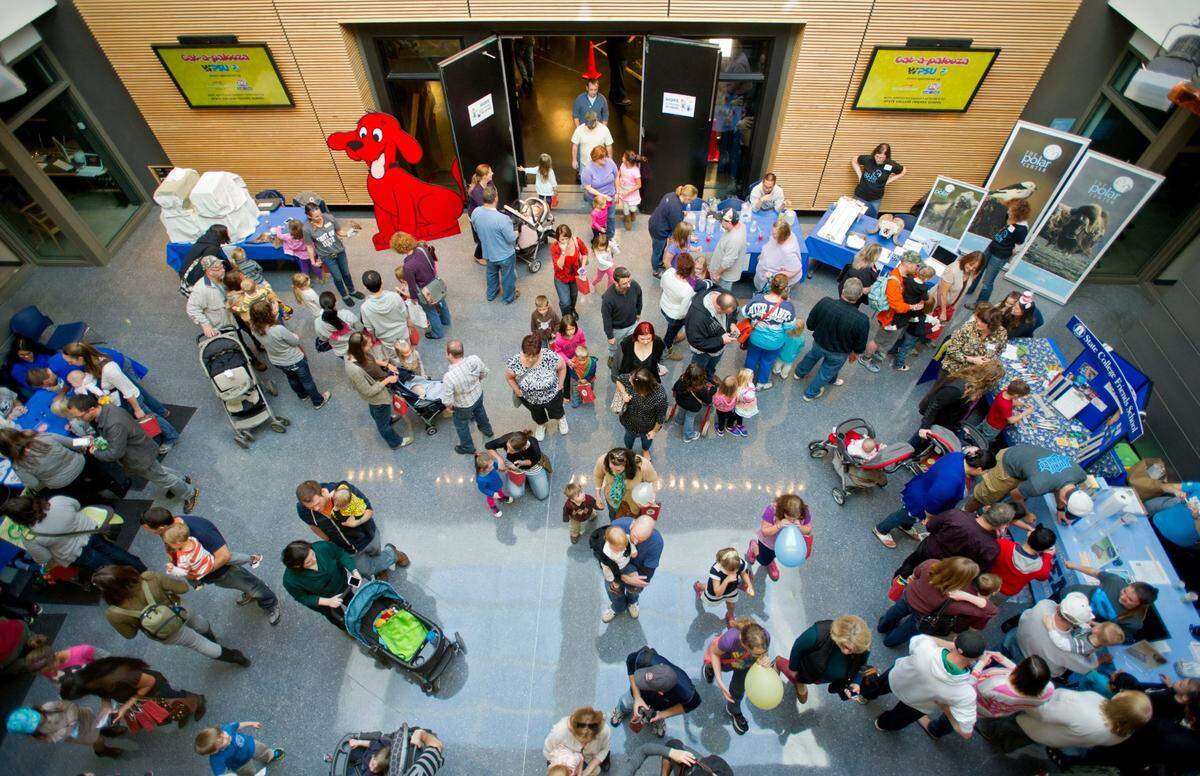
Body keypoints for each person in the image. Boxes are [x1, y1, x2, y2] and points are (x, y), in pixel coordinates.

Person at [140, 507, 280, 624]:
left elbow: (225, 556)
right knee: (242, 584)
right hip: (212, 574)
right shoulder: (170, 532)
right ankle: (249, 591)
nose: (153, 535)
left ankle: (270, 603)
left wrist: (200, 573)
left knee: (251, 585)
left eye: (152, 532)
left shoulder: (198, 529)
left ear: (162, 527)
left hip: (223, 571)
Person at [91, 565, 249, 664]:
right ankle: (212, 638)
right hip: (179, 609)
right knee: (199, 623)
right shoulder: (150, 578)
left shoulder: (113, 613)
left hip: (164, 630)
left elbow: (130, 635)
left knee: (198, 644)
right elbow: (183, 588)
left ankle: (235, 657)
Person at [65, 394, 198, 511]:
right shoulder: (108, 409)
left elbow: (114, 453)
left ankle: (190, 494)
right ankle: (182, 479)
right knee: (159, 470)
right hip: (141, 449)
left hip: (138, 456)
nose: (80, 420)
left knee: (162, 478)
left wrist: (95, 452)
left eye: (80, 416)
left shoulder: (112, 424)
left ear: (92, 409)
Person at [863, 631, 982, 738]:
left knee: (877, 686)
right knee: (898, 718)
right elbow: (966, 732)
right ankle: (882, 724)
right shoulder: (965, 693)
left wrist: (952, 645)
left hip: (898, 678)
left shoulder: (926, 647)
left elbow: (922, 638)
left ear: (955, 640)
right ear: (976, 658)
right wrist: (945, 707)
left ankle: (865, 696)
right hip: (918, 704)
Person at [59, 343, 179, 448]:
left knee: (149, 416)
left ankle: (171, 436)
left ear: (80, 357)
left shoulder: (109, 369)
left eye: (71, 361)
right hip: (121, 398)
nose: (70, 364)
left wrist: (137, 409)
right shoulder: (93, 362)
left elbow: (127, 391)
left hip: (131, 399)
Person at [2, 494, 145, 580]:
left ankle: (129, 580)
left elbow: (45, 558)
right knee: (114, 551)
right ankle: (141, 568)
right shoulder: (57, 501)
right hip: (91, 532)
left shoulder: (30, 537)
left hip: (77, 554)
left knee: (106, 566)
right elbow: (76, 505)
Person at [872, 447, 993, 548]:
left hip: (923, 488)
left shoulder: (958, 456)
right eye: (986, 471)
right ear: (979, 469)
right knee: (904, 514)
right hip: (922, 501)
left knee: (911, 516)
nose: (986, 474)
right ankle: (881, 529)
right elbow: (934, 500)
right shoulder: (952, 480)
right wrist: (929, 516)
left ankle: (905, 526)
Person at [876, 557, 999, 648]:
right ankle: (889, 642)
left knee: (894, 613)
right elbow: (991, 611)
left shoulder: (931, 564)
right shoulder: (956, 601)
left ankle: (883, 627)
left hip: (908, 597)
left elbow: (914, 575)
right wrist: (966, 596)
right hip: (922, 615)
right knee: (905, 631)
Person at [295, 479, 407, 579]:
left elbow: (369, 510)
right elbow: (312, 525)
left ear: (323, 492)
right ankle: (391, 555)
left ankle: (389, 559)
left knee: (375, 554)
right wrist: (328, 540)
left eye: (317, 503)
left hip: (367, 535)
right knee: (364, 571)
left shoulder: (344, 493)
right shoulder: (303, 510)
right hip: (346, 547)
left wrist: (356, 522)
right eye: (311, 507)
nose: (316, 509)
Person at [926, 653, 1054, 740]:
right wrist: (1005, 661)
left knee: (955, 715)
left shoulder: (996, 685)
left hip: (977, 703)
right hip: (996, 710)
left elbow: (971, 688)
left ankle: (935, 730)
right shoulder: (1048, 690)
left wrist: (980, 665)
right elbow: (1028, 679)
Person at [58, 656, 206, 731]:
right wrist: (106, 710)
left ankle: (198, 701)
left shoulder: (119, 676)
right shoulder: (90, 679)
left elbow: (150, 682)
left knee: (175, 697)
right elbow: (104, 694)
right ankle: (183, 711)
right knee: (171, 707)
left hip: (155, 689)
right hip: (143, 697)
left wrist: (126, 706)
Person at [964, 442, 1093, 521]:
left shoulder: (1080, 474)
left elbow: (1061, 487)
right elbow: (1015, 495)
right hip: (1008, 463)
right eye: (1064, 506)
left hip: (1027, 458)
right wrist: (1026, 514)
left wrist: (1060, 510)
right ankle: (964, 513)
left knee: (1012, 492)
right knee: (984, 496)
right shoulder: (1039, 485)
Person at [0, 427, 125, 502]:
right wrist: (88, 440)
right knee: (103, 477)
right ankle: (118, 489)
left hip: (64, 484)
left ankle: (105, 504)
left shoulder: (18, 465)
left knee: (89, 493)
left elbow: (34, 484)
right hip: (83, 465)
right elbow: (73, 443)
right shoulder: (43, 437)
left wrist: (48, 477)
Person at [794, 278, 871, 400]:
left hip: (819, 343)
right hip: (839, 353)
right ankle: (810, 393)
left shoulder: (825, 302)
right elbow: (860, 345)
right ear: (860, 295)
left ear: (843, 290)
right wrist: (855, 353)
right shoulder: (862, 320)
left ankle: (799, 373)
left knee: (811, 357)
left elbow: (810, 324)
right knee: (826, 373)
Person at [895, 503, 1015, 581]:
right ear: (1003, 525)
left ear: (987, 508)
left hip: (927, 551)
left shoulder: (956, 515)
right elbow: (977, 570)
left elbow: (930, 526)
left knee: (908, 568)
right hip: (947, 570)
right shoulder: (991, 548)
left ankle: (898, 583)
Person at [248, 300, 329, 410]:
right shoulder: (279, 329)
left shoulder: (254, 328)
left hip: (277, 361)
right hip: (294, 360)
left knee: (292, 378)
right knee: (307, 381)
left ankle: (302, 395)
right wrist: (294, 336)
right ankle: (318, 401)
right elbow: (295, 342)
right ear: (269, 314)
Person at [775, 615, 872, 705]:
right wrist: (793, 669)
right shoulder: (817, 633)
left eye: (853, 650)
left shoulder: (862, 645)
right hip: (807, 670)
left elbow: (862, 664)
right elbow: (798, 648)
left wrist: (856, 682)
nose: (847, 652)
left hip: (820, 677)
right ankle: (779, 662)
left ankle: (802, 681)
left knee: (807, 680)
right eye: (845, 646)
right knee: (795, 676)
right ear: (838, 636)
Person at [1013, 689, 1152, 751]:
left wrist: (1022, 698)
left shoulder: (1082, 707)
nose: (1120, 692)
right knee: (1019, 739)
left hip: (1037, 724)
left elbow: (1041, 713)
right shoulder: (1126, 732)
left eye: (1123, 694)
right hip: (1056, 739)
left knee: (1013, 726)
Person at [610, 645, 702, 737]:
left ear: (660, 692)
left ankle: (656, 718)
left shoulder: (686, 692)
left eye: (645, 685)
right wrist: (637, 696)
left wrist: (662, 714)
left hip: (662, 703)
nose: (641, 678)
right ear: (659, 666)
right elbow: (630, 661)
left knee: (655, 713)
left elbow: (693, 703)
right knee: (626, 702)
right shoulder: (646, 659)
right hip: (639, 693)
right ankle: (621, 710)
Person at [909, 361, 1005, 448]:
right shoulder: (957, 388)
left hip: (948, 418)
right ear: (989, 379)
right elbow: (934, 406)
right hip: (938, 418)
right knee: (919, 441)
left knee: (928, 442)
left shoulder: (972, 381)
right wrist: (924, 427)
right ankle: (906, 454)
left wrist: (958, 425)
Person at [703, 617, 772, 735]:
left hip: (744, 663)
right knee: (712, 664)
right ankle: (710, 669)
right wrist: (720, 681)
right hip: (725, 660)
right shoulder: (730, 639)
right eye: (757, 653)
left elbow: (764, 651)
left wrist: (764, 657)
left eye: (761, 652)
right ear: (744, 645)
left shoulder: (765, 636)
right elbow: (714, 653)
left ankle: (733, 709)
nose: (759, 655)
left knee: (738, 689)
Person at [343, 332, 412, 450]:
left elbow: (370, 361)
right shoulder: (355, 371)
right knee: (382, 423)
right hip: (377, 397)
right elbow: (369, 391)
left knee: (378, 412)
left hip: (378, 385)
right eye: (368, 344)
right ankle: (396, 443)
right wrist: (388, 379)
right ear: (360, 348)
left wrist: (386, 364)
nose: (371, 344)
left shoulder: (353, 353)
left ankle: (388, 419)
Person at [1059, 560, 1159, 640]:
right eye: (1124, 591)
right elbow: (1095, 572)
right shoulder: (1115, 581)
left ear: (1139, 605)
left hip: (1080, 620)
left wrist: (1091, 623)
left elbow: (1116, 633)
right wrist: (1074, 566)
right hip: (1070, 595)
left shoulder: (1133, 622)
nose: (1123, 597)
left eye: (1130, 599)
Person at [1007, 591, 1099, 676]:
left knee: (995, 657)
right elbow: (1088, 667)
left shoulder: (1044, 605)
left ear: (1059, 606)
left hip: (1014, 640)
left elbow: (1025, 614)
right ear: (1077, 624)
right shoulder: (1070, 650)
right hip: (1031, 670)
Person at [280, 539, 361, 629]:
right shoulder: (290, 580)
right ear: (297, 566)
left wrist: (354, 570)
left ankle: (362, 618)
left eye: (313, 555)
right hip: (324, 602)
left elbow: (340, 554)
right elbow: (302, 597)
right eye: (308, 562)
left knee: (354, 604)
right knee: (337, 618)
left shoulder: (322, 547)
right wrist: (328, 602)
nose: (314, 560)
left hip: (343, 587)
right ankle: (348, 629)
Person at [861, 254, 921, 372]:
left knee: (885, 341)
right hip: (890, 319)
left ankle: (876, 356)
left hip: (897, 319)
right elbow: (898, 307)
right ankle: (865, 358)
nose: (918, 268)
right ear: (907, 263)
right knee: (878, 341)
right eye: (916, 265)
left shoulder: (905, 274)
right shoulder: (894, 281)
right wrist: (913, 306)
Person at [5, 699, 124, 758]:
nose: (40, 721)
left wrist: (72, 719)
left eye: (36, 717)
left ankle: (104, 730)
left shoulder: (49, 706)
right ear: (32, 731)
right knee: (98, 740)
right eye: (36, 724)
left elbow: (69, 705)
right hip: (80, 733)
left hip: (83, 717)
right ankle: (101, 750)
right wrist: (69, 728)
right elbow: (56, 738)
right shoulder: (42, 733)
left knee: (99, 724)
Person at [969, 198, 1032, 305]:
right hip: (991, 247)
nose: (1008, 211)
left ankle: (980, 304)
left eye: (1011, 210)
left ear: (1018, 212)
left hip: (1000, 255)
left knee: (987, 281)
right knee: (978, 269)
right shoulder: (1010, 217)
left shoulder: (1022, 228)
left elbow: (1018, 246)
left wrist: (1008, 255)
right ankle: (969, 289)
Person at [741, 274, 798, 389]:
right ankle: (761, 383)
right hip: (775, 343)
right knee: (767, 362)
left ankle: (746, 382)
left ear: (771, 285)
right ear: (785, 288)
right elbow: (789, 327)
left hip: (755, 338)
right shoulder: (788, 307)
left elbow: (745, 312)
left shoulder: (757, 299)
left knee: (752, 358)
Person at [506, 334, 568, 439]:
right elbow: (509, 377)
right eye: (527, 355)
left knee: (557, 410)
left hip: (552, 394)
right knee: (536, 414)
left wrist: (560, 384)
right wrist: (517, 391)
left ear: (540, 351)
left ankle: (561, 419)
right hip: (530, 398)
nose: (530, 359)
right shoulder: (514, 362)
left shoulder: (550, 357)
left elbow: (562, 367)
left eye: (534, 355)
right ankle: (541, 424)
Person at [392, 233, 450, 340]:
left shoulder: (407, 266)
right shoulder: (421, 249)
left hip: (425, 290)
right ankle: (446, 321)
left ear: (398, 249)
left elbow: (412, 285)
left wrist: (414, 298)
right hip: (435, 282)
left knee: (431, 311)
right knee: (442, 302)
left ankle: (438, 333)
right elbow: (432, 263)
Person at [303, 203, 362, 306]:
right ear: (309, 216)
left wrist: (349, 233)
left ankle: (352, 291)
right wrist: (312, 261)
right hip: (327, 257)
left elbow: (339, 231)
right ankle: (345, 295)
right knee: (338, 278)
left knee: (346, 274)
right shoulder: (306, 229)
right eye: (316, 216)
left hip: (340, 252)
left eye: (320, 214)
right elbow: (309, 246)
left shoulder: (329, 218)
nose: (320, 217)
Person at [442, 341, 493, 455]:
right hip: (478, 395)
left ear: (449, 354)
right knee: (480, 412)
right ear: (462, 352)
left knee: (461, 426)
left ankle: (468, 447)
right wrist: (477, 381)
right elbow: (484, 372)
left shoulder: (449, 377)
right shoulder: (474, 359)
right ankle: (487, 430)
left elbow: (447, 400)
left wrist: (449, 408)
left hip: (462, 405)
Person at [470, 185, 519, 305]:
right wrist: (517, 232)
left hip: (488, 252)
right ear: (496, 198)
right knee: (508, 277)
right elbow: (510, 238)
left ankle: (491, 294)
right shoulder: (503, 219)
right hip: (505, 255)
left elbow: (476, 229)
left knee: (491, 274)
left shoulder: (475, 212)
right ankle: (508, 297)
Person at [746, 493, 811, 582]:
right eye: (789, 518)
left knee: (775, 555)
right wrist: (778, 525)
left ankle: (770, 560)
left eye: (795, 518)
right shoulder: (772, 510)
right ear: (783, 512)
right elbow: (765, 532)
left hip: (785, 545)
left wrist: (800, 527)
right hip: (768, 544)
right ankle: (754, 546)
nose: (792, 521)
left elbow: (808, 529)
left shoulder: (804, 511)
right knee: (763, 561)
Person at [938, 302, 1008, 377]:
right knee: (942, 384)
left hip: (977, 373)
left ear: (992, 324)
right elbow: (951, 350)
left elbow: (1000, 350)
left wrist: (990, 361)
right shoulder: (968, 328)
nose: (978, 323)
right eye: (978, 320)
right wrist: (973, 360)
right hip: (955, 368)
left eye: (983, 322)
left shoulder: (1001, 333)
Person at [359, 270, 415, 360]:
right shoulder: (395, 296)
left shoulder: (365, 307)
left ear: (365, 287)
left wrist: (375, 336)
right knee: (407, 351)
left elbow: (370, 329)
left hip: (386, 339)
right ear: (382, 282)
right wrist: (410, 327)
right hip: (402, 332)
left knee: (394, 357)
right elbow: (405, 314)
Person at [694, 547, 755, 627]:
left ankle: (730, 615)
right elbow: (718, 592)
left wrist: (749, 586)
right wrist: (726, 581)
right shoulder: (716, 571)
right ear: (722, 566)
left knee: (731, 605)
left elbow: (743, 573)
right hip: (716, 590)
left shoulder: (736, 562)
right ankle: (699, 586)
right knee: (708, 591)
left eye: (736, 570)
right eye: (731, 571)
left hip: (731, 590)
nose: (735, 573)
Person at [990, 524, 1056, 598]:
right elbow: (1043, 577)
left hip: (988, 577)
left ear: (1029, 534)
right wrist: (1048, 556)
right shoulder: (1042, 569)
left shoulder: (1003, 544)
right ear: (1045, 549)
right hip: (1006, 591)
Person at [685, 288, 738, 379]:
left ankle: (709, 377)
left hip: (718, 347)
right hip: (703, 352)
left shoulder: (725, 295)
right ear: (718, 308)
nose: (728, 314)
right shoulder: (698, 317)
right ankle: (697, 384)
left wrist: (732, 324)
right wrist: (721, 340)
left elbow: (733, 312)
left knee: (712, 365)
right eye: (726, 313)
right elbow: (696, 341)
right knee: (698, 371)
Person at [195, 721, 284, 775]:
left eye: (222, 733)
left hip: (251, 745)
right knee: (248, 773)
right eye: (222, 741)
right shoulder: (216, 760)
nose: (226, 735)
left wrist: (251, 723)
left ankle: (270, 756)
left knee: (263, 751)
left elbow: (237, 725)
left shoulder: (226, 730)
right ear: (214, 751)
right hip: (241, 765)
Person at [347, 727, 445, 776]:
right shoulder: (378, 749)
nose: (373, 769)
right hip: (366, 757)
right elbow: (437, 746)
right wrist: (421, 735)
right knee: (351, 753)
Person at [647, 185, 698, 277]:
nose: (690, 202)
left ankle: (659, 263)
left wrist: (681, 213)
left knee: (660, 248)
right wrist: (689, 237)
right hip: (659, 231)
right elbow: (677, 232)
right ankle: (655, 271)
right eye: (691, 200)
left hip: (654, 221)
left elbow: (669, 211)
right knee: (657, 251)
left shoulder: (671, 195)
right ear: (687, 197)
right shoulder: (676, 210)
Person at [593, 447, 658, 519]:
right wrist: (597, 495)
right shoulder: (603, 461)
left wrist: (650, 499)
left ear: (627, 466)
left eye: (618, 470)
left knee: (632, 520)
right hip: (611, 499)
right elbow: (598, 476)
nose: (613, 473)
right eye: (611, 468)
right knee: (613, 516)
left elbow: (653, 480)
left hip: (633, 503)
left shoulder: (643, 465)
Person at [601, 267, 643, 378]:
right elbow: (606, 319)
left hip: (632, 324)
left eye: (629, 281)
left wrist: (638, 312)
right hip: (617, 329)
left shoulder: (634, 285)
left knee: (631, 343)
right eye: (625, 283)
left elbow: (639, 297)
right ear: (616, 283)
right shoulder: (608, 298)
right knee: (614, 347)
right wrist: (610, 336)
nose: (629, 285)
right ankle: (612, 358)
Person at [543, 708, 610, 776]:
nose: (583, 746)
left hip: (581, 759)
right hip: (567, 761)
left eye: (587, 742)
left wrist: (587, 770)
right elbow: (548, 752)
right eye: (580, 741)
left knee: (596, 769)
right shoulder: (558, 734)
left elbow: (604, 749)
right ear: (572, 730)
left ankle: (604, 761)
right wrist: (560, 770)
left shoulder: (604, 731)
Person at [615, 368, 668, 454]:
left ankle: (645, 450)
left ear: (640, 387)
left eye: (631, 383)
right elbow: (619, 379)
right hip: (629, 420)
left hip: (647, 426)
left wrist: (654, 431)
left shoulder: (660, 396)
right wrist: (623, 393)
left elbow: (660, 417)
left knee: (646, 440)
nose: (628, 380)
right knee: (629, 436)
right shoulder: (634, 378)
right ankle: (628, 450)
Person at [485, 430, 550, 501]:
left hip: (532, 467)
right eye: (507, 446)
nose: (507, 451)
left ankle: (527, 478)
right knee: (516, 493)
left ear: (522, 449)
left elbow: (533, 461)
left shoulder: (534, 445)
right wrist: (500, 460)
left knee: (542, 495)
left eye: (511, 450)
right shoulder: (509, 438)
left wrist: (522, 463)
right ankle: (522, 478)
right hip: (513, 465)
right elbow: (488, 446)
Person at [659, 254, 699, 360]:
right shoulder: (688, 289)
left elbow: (662, 286)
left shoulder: (669, 272)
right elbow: (682, 311)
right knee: (669, 334)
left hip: (664, 305)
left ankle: (675, 337)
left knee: (672, 329)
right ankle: (667, 350)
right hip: (675, 315)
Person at [933, 251, 985, 328]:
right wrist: (943, 312)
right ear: (967, 259)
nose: (971, 268)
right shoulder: (952, 269)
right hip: (938, 303)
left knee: (936, 328)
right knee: (926, 327)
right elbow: (942, 293)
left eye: (975, 268)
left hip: (952, 304)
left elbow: (965, 286)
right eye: (970, 265)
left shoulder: (973, 272)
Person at [851, 143, 905, 215]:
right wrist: (859, 175)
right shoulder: (868, 159)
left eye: (881, 157)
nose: (878, 159)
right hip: (860, 194)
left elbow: (903, 171)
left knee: (871, 218)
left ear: (886, 157)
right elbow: (854, 160)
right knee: (852, 214)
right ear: (874, 154)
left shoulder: (891, 165)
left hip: (875, 199)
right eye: (877, 156)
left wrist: (888, 181)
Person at [753, 219, 805, 292]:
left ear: (782, 236)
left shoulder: (788, 252)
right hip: (765, 271)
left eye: (774, 234)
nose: (772, 235)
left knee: (766, 293)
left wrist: (774, 277)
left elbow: (795, 269)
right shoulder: (788, 233)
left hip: (771, 280)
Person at [549, 224, 588, 318]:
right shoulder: (555, 247)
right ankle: (567, 316)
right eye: (562, 239)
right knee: (565, 301)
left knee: (574, 296)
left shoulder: (576, 241)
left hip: (575, 276)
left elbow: (585, 252)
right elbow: (559, 267)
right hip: (561, 278)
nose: (565, 241)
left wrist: (582, 266)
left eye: (567, 238)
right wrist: (563, 252)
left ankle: (572, 309)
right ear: (557, 239)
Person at [581, 145, 619, 240]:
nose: (605, 159)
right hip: (597, 199)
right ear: (595, 158)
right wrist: (603, 196)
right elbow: (588, 187)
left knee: (611, 216)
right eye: (602, 158)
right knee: (599, 217)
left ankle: (610, 237)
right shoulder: (588, 170)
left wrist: (618, 192)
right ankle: (599, 237)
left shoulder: (610, 162)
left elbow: (616, 176)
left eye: (606, 156)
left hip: (610, 195)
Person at [672, 363, 715, 442]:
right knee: (690, 417)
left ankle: (678, 421)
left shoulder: (681, 379)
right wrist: (712, 392)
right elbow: (708, 400)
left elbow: (675, 387)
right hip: (693, 406)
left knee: (681, 410)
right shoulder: (702, 389)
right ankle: (688, 435)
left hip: (680, 401)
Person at [710, 209, 748, 290]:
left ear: (729, 223)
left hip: (724, 277)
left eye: (721, 221)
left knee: (721, 294)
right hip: (723, 269)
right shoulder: (740, 224)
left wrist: (716, 274)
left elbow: (727, 262)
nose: (720, 223)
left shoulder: (734, 240)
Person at [571, 111, 614, 179]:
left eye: (591, 125)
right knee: (585, 185)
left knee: (599, 183)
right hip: (584, 164)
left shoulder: (604, 129)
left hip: (600, 163)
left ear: (596, 120)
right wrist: (574, 160)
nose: (590, 127)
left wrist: (610, 160)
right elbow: (575, 145)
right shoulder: (579, 129)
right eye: (588, 125)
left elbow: (609, 145)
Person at [466, 163, 493, 263]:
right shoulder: (476, 191)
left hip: (485, 211)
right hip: (476, 215)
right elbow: (485, 207)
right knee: (483, 236)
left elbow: (493, 196)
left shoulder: (489, 182)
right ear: (485, 176)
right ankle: (478, 256)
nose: (492, 173)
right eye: (490, 172)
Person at [615, 150, 642, 230]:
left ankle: (632, 214)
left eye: (623, 157)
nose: (621, 158)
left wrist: (628, 192)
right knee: (625, 208)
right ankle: (627, 219)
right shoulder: (623, 165)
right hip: (623, 191)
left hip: (632, 193)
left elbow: (639, 185)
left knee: (632, 208)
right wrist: (618, 184)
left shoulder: (635, 171)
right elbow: (618, 174)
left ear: (627, 161)